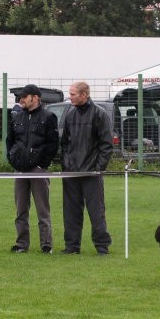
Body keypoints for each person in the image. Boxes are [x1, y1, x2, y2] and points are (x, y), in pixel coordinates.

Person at [59, 81, 113, 255]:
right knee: (71, 211)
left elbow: (106, 146)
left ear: (84, 94)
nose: (70, 97)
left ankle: (102, 247)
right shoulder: (69, 114)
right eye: (70, 93)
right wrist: (66, 165)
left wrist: (98, 168)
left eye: (73, 94)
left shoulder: (100, 114)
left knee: (96, 212)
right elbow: (65, 143)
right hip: (71, 172)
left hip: (92, 173)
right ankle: (72, 246)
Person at [6, 84, 59, 254]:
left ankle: (46, 244)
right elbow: (10, 141)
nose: (20, 100)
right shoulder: (16, 117)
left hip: (38, 170)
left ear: (35, 97)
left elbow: (53, 144)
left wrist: (42, 164)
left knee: (43, 210)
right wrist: (13, 160)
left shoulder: (49, 117)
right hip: (20, 169)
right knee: (21, 209)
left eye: (24, 97)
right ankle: (22, 244)